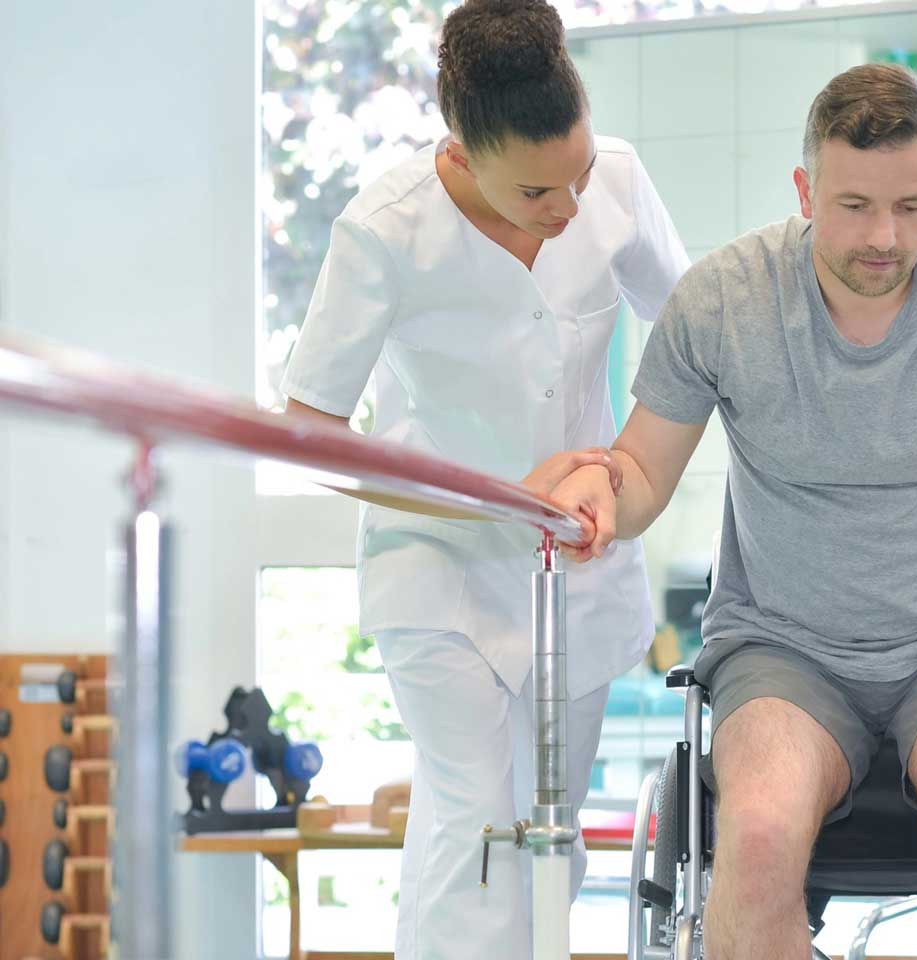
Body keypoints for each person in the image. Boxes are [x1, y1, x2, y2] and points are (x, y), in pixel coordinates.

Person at [546, 63, 917, 960]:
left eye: (912, 206)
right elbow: (637, 471)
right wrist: (598, 496)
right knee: (752, 836)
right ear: (805, 190)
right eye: (856, 206)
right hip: (784, 649)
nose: (884, 236)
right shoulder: (724, 299)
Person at [279, 2, 689, 957]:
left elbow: (693, 331)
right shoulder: (385, 230)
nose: (569, 209)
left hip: (577, 558)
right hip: (437, 559)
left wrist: (622, 466)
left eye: (579, 176)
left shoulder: (617, 181)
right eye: (539, 191)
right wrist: (481, 495)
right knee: (482, 823)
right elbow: (312, 434)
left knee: (551, 825)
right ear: (461, 158)